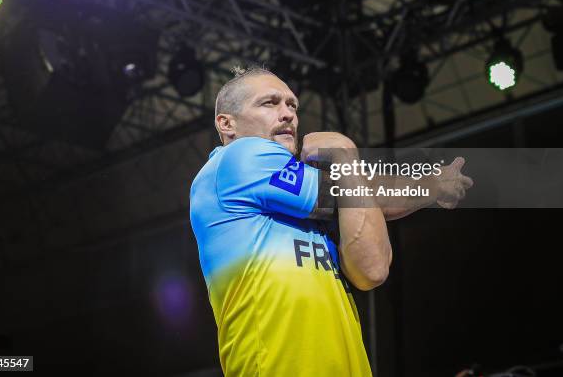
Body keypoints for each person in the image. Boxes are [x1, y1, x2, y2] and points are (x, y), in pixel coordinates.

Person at [189, 67, 472, 376]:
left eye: (292, 105)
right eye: (269, 103)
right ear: (226, 124)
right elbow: (348, 190)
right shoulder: (236, 160)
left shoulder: (297, 207)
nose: (288, 115)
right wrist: (347, 155)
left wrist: (430, 185)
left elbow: (372, 266)